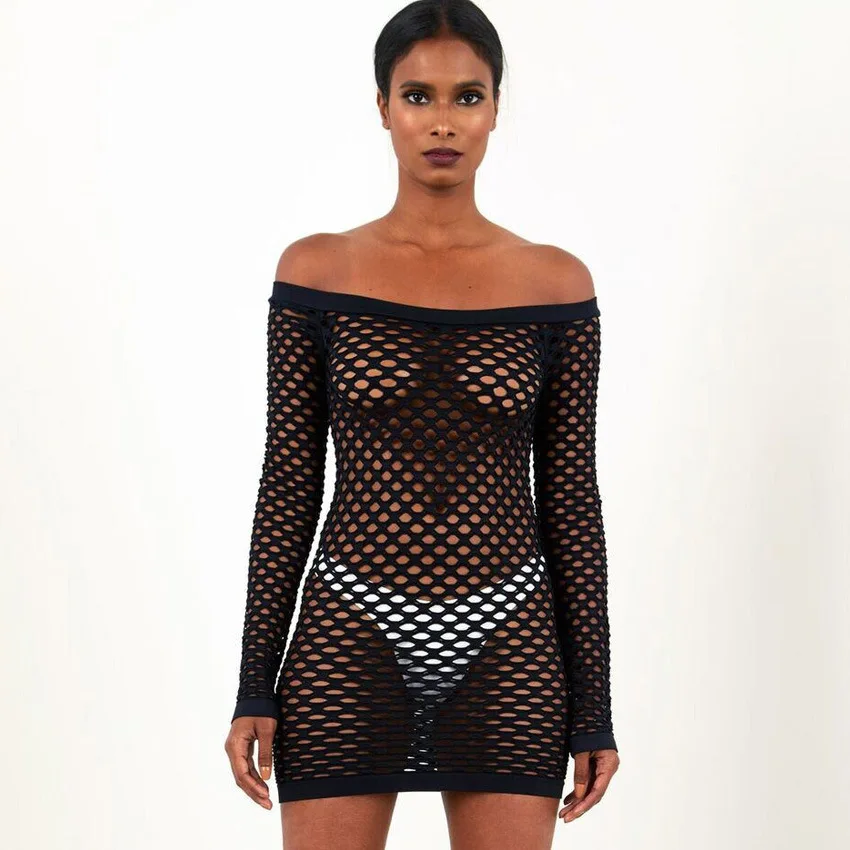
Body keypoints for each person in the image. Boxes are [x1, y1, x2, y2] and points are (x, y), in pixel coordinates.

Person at [224, 1, 620, 847]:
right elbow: (289, 482)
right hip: (348, 629)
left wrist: (595, 707)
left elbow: (571, 501)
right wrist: (255, 683)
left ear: (496, 108)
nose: (443, 122)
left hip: (509, 639)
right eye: (418, 95)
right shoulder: (317, 271)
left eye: (467, 96)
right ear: (382, 106)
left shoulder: (554, 284)